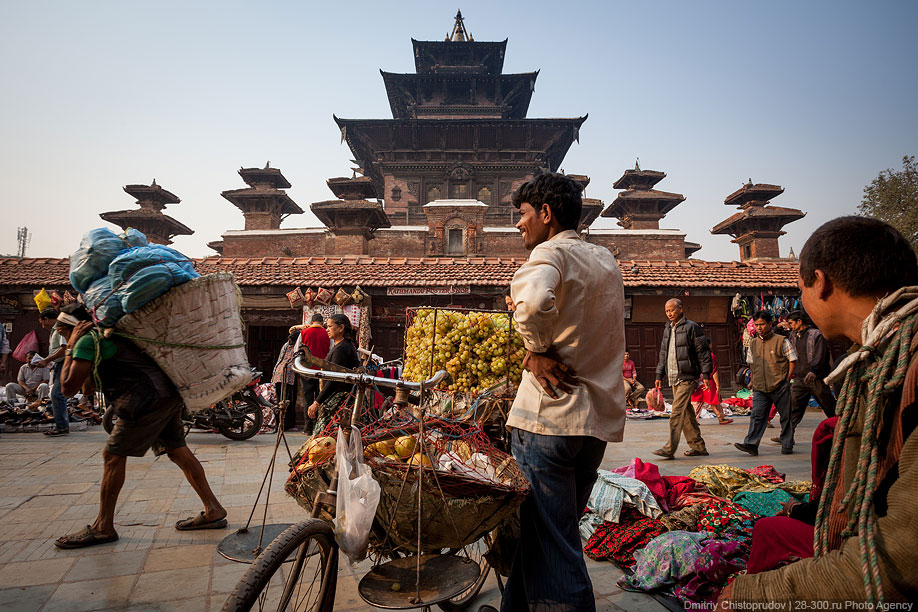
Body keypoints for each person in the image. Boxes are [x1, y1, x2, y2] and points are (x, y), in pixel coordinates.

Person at [719, 216, 918, 606]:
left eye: (800, 287)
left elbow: (903, 556)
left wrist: (756, 595)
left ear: (820, 283)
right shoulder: (884, 358)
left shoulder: (906, 365)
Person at [490, 172, 624, 612]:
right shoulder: (604, 259)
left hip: (548, 421)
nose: (518, 225)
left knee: (555, 545)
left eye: (523, 215)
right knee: (545, 536)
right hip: (594, 427)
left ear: (546, 214)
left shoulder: (550, 252)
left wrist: (535, 349)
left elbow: (529, 305)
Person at [53, 304, 226, 549]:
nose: (58, 333)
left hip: (144, 401)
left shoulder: (84, 342)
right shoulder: (105, 337)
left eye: (61, 329)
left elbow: (67, 388)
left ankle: (103, 526)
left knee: (112, 456)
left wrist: (70, 348)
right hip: (166, 395)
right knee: (177, 451)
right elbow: (87, 388)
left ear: (74, 326)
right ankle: (213, 509)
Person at [652, 298, 712, 459]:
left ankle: (669, 448)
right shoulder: (667, 329)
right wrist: (659, 374)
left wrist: (706, 374)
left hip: (688, 376)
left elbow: (703, 353)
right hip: (673, 376)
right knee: (686, 413)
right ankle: (698, 446)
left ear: (680, 309)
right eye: (667, 311)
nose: (669, 313)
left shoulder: (692, 327)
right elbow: (663, 353)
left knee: (676, 413)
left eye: (672, 310)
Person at [734, 310, 797, 456]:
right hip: (760, 386)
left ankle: (787, 444)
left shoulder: (781, 340)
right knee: (757, 415)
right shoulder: (754, 343)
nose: (759, 328)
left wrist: (787, 380)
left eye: (762, 324)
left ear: (770, 324)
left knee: (785, 416)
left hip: (779, 384)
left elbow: (792, 360)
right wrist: (753, 379)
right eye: (756, 325)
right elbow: (751, 362)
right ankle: (751, 444)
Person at [306, 314, 359, 435]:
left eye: (330, 326)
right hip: (341, 396)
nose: (327, 329)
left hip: (340, 400)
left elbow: (334, 379)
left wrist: (316, 402)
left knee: (326, 438)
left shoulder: (341, 349)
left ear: (341, 328)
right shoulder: (341, 345)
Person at [787, 309, 836, 423]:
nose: (789, 326)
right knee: (794, 406)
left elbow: (820, 354)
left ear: (799, 321)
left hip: (816, 377)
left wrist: (814, 370)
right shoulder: (793, 336)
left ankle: (839, 429)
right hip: (799, 377)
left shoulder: (816, 334)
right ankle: (787, 436)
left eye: (791, 323)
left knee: (828, 405)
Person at [37, 308, 70, 436]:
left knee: (57, 394)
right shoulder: (55, 330)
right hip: (58, 364)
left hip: (64, 363)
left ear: (46, 319)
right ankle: (61, 425)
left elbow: (64, 348)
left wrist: (46, 361)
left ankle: (62, 427)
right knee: (57, 394)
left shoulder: (60, 328)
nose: (42, 325)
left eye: (42, 322)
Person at [690, 337, 733, 425]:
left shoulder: (696, 355)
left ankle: (694, 420)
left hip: (699, 381)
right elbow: (714, 371)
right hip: (709, 381)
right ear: (709, 345)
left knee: (698, 401)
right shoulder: (711, 356)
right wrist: (717, 384)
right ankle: (720, 416)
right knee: (714, 399)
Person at [271, 330, 300, 431]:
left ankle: (280, 424)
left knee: (280, 400)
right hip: (288, 375)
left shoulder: (286, 345)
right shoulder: (298, 347)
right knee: (288, 401)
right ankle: (287, 425)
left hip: (279, 373)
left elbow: (279, 359)